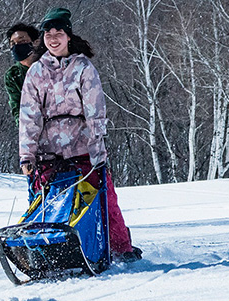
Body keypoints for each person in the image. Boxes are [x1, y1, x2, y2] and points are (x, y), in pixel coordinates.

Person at [17, 8, 141, 261]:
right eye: (48, 34)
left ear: (68, 37)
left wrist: (98, 150)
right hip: (48, 151)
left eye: (58, 33)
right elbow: (29, 116)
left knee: (103, 198)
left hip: (82, 147)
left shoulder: (83, 67)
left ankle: (120, 247)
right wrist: (26, 155)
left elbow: (96, 110)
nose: (53, 38)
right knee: (48, 204)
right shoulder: (36, 72)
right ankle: (44, 251)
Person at [5, 23, 41, 126]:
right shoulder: (13, 75)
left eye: (22, 41)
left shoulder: (49, 65)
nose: (17, 46)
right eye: (13, 43)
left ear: (35, 43)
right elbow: (16, 106)